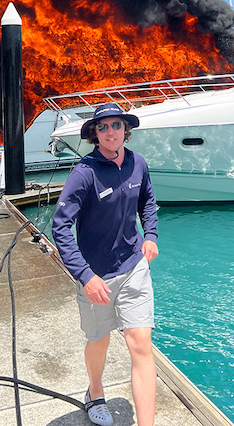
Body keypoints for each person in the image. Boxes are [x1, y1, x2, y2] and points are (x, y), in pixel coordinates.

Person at [52, 103, 159, 426]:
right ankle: (95, 392)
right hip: (96, 275)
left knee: (141, 343)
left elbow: (148, 201)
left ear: (125, 130)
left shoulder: (138, 163)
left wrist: (150, 234)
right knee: (99, 339)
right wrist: (85, 276)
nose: (111, 131)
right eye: (103, 127)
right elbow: (60, 227)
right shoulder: (84, 173)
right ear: (94, 134)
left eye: (116, 125)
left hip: (134, 267)